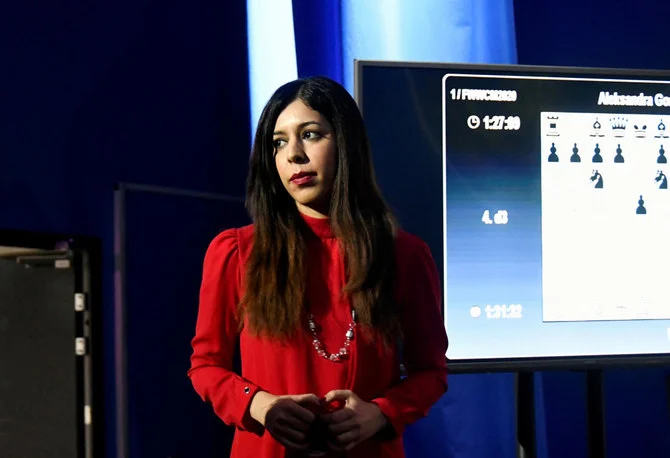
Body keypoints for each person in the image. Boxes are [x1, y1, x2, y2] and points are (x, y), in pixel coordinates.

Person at [188, 76, 448, 457]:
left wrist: (379, 414)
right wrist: (259, 405)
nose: (293, 154)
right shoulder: (236, 252)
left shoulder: (403, 255)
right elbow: (205, 366)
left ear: (346, 143)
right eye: (279, 142)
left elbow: (431, 372)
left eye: (310, 135)